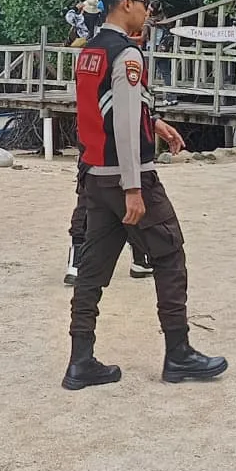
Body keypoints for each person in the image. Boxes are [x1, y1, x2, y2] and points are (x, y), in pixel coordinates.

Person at [63, 0, 228, 390]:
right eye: (145, 4)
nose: (148, 12)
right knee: (169, 254)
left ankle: (80, 360)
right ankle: (179, 353)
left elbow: (104, 108)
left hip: (95, 175)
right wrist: (134, 187)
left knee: (91, 270)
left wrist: (153, 122)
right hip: (128, 176)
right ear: (126, 4)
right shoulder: (127, 54)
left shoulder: (90, 51)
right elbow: (121, 122)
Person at [65, 25, 154, 285]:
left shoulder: (93, 52)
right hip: (103, 144)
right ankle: (78, 259)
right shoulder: (117, 53)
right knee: (98, 202)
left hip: (95, 142)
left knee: (122, 203)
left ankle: (139, 257)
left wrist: (154, 122)